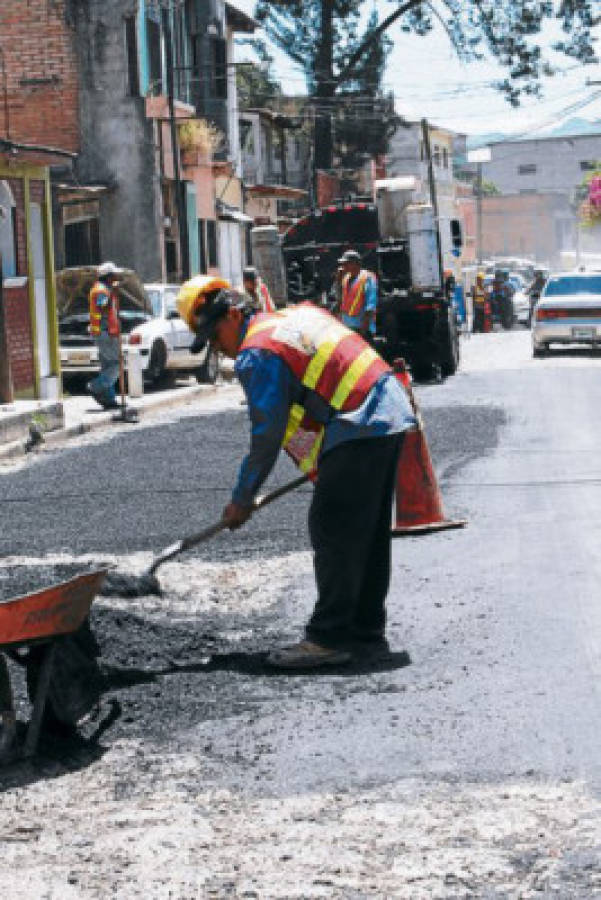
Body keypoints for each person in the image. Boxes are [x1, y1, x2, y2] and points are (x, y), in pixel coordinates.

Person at [179, 284, 418, 669]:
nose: (217, 348)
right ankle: (365, 633)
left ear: (234, 315)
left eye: (215, 335)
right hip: (385, 409)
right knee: (366, 534)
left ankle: (329, 638)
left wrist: (242, 498)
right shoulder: (292, 318)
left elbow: (266, 434)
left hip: (359, 418)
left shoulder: (257, 352)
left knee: (332, 527)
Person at [87, 261, 124, 409]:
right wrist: (113, 293)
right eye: (114, 275)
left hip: (106, 332)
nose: (116, 277)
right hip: (105, 333)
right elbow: (103, 306)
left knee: (107, 366)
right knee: (116, 365)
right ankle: (96, 386)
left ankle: (109, 400)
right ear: (108, 277)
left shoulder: (104, 289)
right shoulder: (101, 291)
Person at [338, 250, 378, 339]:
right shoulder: (346, 278)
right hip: (348, 327)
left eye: (346, 263)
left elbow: (370, 306)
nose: (343, 266)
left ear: (355, 264)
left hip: (362, 328)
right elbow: (342, 302)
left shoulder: (367, 278)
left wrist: (364, 329)